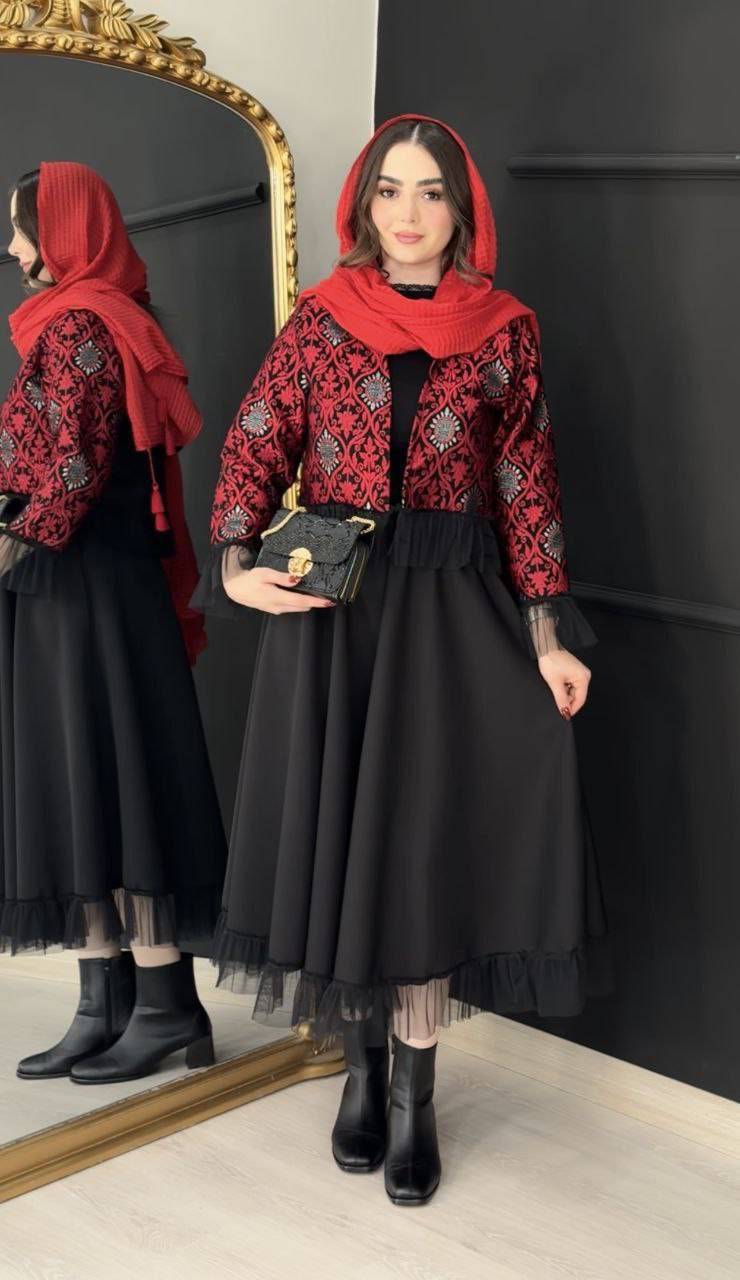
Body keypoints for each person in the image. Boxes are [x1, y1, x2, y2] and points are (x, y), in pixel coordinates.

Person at [195, 114, 612, 1206]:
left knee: (422, 849)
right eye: (390, 190)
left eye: (430, 192)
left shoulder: (503, 329)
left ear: (461, 209)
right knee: (344, 841)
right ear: (363, 203)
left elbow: (525, 485)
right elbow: (254, 438)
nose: (409, 213)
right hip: (336, 608)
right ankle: (359, 1073)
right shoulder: (321, 318)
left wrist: (547, 636)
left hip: (450, 612)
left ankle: (416, 1094)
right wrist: (235, 559)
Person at [0, 162, 227, 1084]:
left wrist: (7, 545)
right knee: (85, 781)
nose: (13, 247)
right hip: (75, 589)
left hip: (89, 589)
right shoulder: (84, 320)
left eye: (21, 228)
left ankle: (167, 1006)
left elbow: (73, 473)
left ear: (62, 231)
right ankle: (107, 1002)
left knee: (117, 778)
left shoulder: (84, 326)